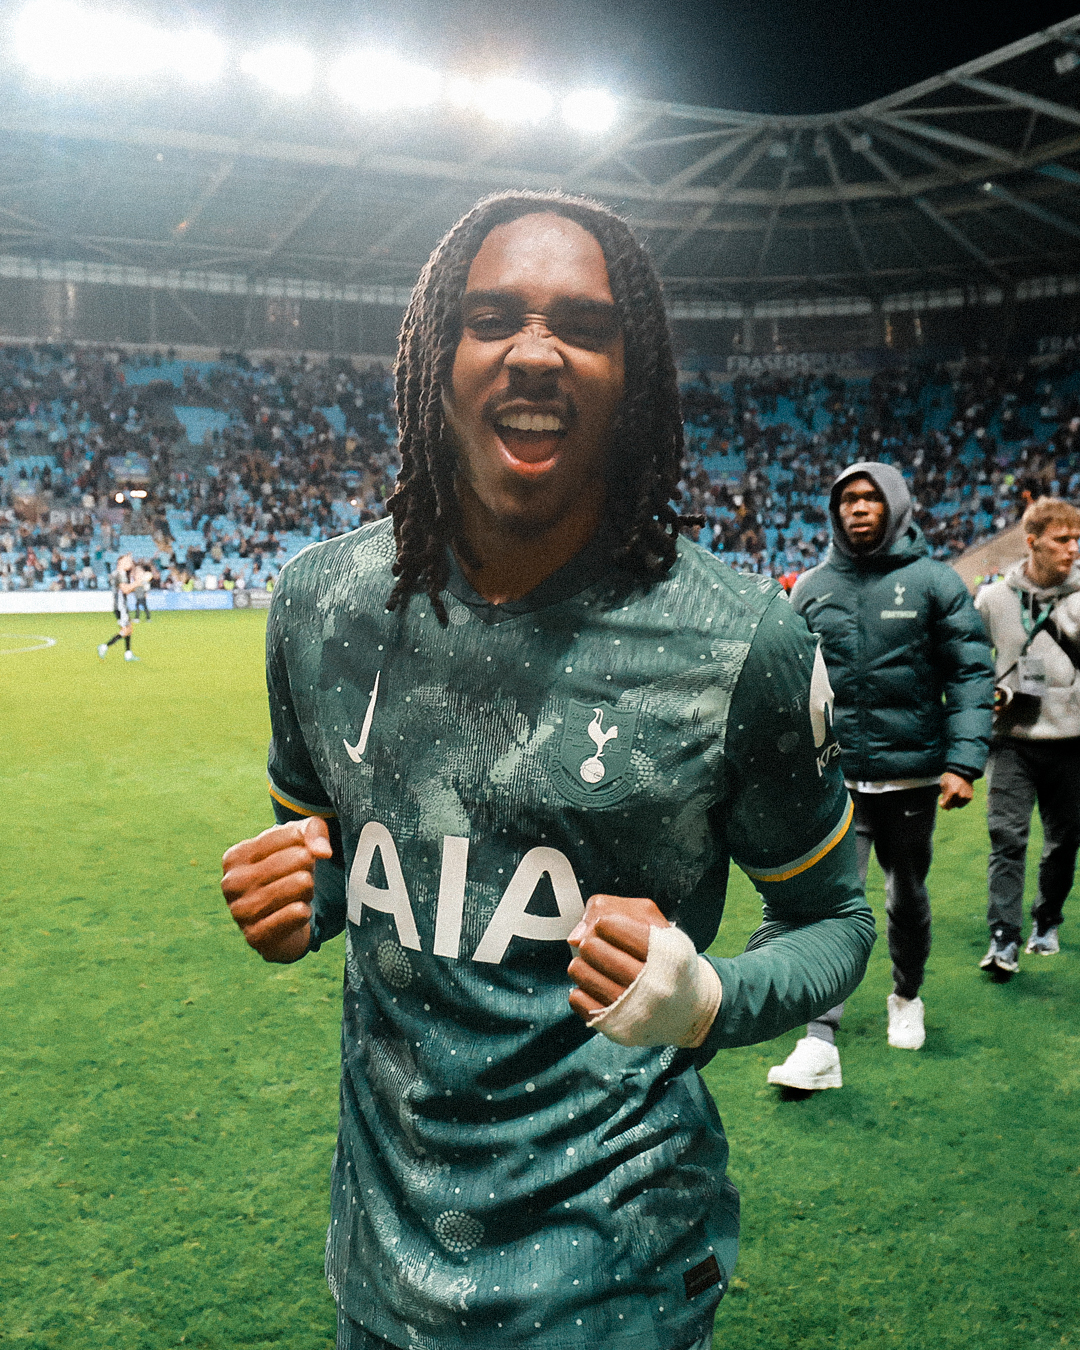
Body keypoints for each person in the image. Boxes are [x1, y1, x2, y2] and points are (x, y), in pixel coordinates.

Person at [220, 191, 875, 1350]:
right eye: (492, 318)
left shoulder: (739, 644)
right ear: (435, 358)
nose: (534, 350)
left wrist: (711, 998)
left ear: (636, 375)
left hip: (616, 1280)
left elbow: (831, 918)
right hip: (377, 1272)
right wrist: (302, 896)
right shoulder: (321, 607)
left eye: (581, 322)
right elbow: (332, 849)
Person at [767, 463, 993, 1090]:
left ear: (894, 506)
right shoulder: (810, 587)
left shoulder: (934, 582)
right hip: (834, 780)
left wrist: (962, 762)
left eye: (870, 498)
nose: (858, 509)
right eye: (848, 500)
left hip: (912, 779)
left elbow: (971, 673)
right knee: (835, 905)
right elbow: (784, 680)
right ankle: (819, 1040)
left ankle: (907, 994)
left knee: (906, 898)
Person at [974, 496, 1080, 977]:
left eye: (1077, 540)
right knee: (1007, 838)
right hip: (1013, 740)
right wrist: (990, 691)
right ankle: (1003, 940)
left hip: (1073, 743)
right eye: (1063, 540)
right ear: (1032, 541)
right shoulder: (994, 599)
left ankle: (1047, 920)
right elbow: (969, 665)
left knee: (1064, 841)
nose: (1073, 549)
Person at [97, 553, 138, 662]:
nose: (130, 563)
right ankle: (104, 646)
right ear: (121, 563)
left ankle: (128, 654)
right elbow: (125, 590)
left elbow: (125, 590)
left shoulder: (119, 573)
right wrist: (138, 583)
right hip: (120, 606)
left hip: (120, 605)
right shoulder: (120, 574)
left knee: (129, 628)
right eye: (128, 561)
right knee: (126, 630)